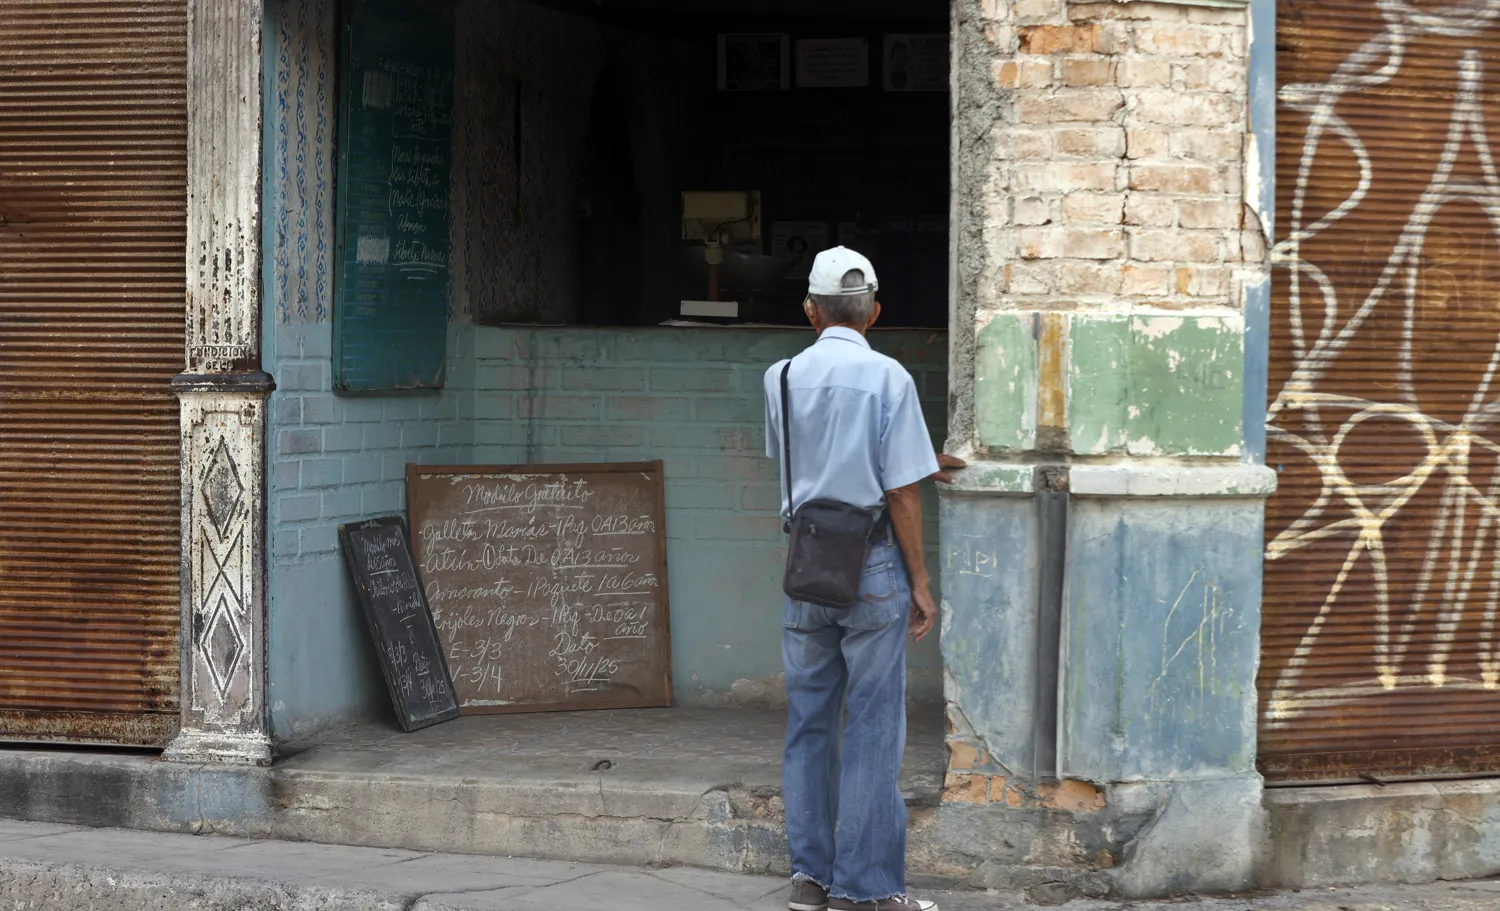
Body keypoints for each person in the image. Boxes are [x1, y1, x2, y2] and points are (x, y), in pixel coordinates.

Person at [763, 247, 963, 911]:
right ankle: (868, 889)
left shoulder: (781, 378)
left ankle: (809, 880)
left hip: (807, 563)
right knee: (875, 726)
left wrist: (911, 457)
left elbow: (813, 459)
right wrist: (922, 581)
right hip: (872, 563)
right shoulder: (890, 379)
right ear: (874, 312)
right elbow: (901, 491)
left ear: (810, 312)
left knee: (809, 724)